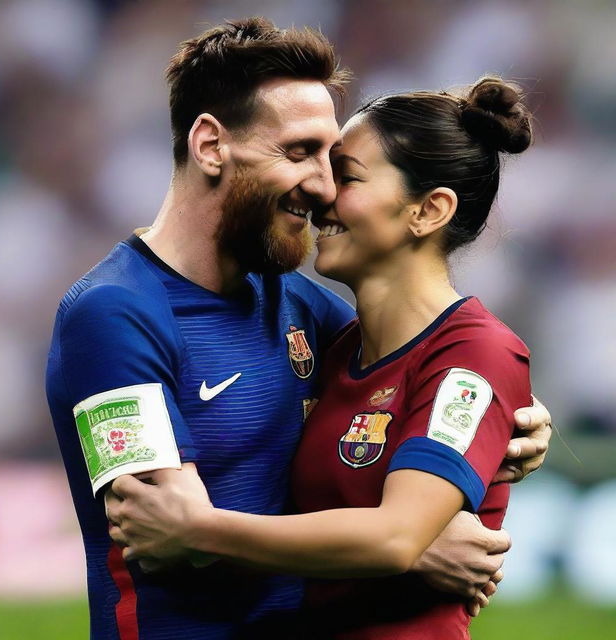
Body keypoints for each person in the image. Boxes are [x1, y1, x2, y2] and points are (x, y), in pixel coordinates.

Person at [46, 17, 550, 640]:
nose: (322, 186)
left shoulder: (304, 309)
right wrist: (413, 545)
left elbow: (437, 365)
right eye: (300, 153)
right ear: (210, 145)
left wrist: (519, 419)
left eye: (335, 161)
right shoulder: (114, 314)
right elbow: (166, 531)